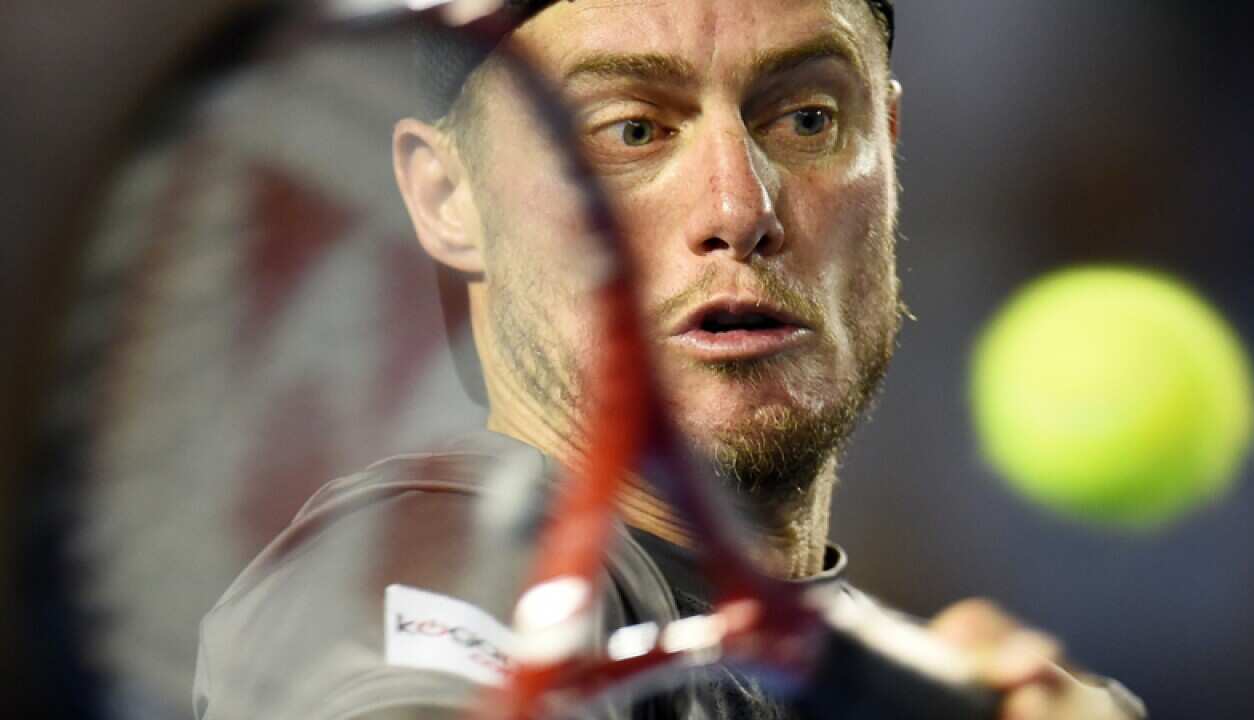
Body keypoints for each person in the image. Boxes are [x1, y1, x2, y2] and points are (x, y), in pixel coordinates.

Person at [194, 1, 1145, 718]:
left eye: (807, 119)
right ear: (449, 197)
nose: (740, 209)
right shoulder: (420, 555)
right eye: (634, 130)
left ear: (889, 148)